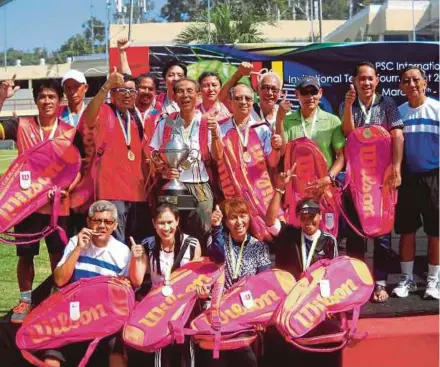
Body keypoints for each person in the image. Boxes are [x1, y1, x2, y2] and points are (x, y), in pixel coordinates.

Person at [0, 78, 84, 323]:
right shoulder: (21, 125)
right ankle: (25, 300)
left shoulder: (70, 132)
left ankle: (58, 297)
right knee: (25, 255)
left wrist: (69, 187)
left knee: (58, 255)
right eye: (42, 97)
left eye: (52, 97)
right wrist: (3, 97)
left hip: (58, 205)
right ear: (36, 100)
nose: (47, 101)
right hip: (25, 206)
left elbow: (80, 166)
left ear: (60, 102)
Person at [340, 61, 404, 303]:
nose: (366, 83)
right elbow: (348, 134)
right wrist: (347, 106)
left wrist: (396, 168)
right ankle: (358, 281)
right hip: (358, 182)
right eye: (361, 79)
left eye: (370, 78)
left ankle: (380, 281)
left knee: (383, 233)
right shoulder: (348, 104)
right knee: (356, 234)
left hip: (382, 180)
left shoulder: (387, 103)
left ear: (377, 80)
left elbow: (397, 134)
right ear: (355, 81)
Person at [42, 200, 131, 367]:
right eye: (97, 221)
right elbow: (60, 280)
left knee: (116, 350)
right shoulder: (75, 242)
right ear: (89, 222)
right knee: (51, 354)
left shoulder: (123, 252)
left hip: (103, 317)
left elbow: (124, 295)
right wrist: (78, 249)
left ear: (115, 225)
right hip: (73, 314)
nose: (102, 226)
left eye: (108, 222)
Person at [150, 78, 223, 249]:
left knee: (201, 233)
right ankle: (173, 270)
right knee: (172, 232)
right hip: (173, 187)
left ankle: (198, 271)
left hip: (199, 187)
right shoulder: (166, 122)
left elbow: (217, 156)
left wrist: (214, 133)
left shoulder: (208, 122)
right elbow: (153, 155)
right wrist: (164, 170)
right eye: (180, 91)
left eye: (190, 91)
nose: (185, 95)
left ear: (198, 96)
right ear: (174, 96)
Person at [128, 203, 201, 367]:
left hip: (184, 307)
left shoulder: (192, 244)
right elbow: (137, 280)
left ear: (177, 222)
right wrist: (135, 259)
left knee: (185, 357)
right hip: (158, 308)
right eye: (161, 223)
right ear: (154, 224)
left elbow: (195, 278)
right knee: (161, 355)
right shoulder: (147, 244)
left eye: (170, 222)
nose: (166, 228)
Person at [81, 68, 146, 244]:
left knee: (135, 243)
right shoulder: (104, 112)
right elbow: (88, 117)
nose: (128, 95)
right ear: (112, 93)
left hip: (137, 193)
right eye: (122, 90)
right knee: (116, 244)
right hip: (112, 191)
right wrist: (107, 85)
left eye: (132, 91)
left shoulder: (135, 118)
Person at [392, 66, 439, 300]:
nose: (411, 84)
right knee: (407, 232)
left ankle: (433, 281)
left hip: (435, 178)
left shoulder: (437, 109)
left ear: (425, 83)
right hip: (407, 180)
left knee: (436, 232)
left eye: (416, 80)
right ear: (401, 86)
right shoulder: (398, 114)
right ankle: (407, 279)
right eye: (406, 81)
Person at [207, 198, 271, 366]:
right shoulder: (218, 242)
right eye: (233, 217)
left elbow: (265, 284)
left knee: (248, 360)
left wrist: (260, 316)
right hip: (221, 313)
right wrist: (216, 228)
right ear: (226, 222)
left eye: (243, 215)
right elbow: (218, 256)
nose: (239, 222)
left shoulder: (259, 247)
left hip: (247, 313)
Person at [276, 75, 346, 194]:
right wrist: (279, 120)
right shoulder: (287, 121)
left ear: (320, 93)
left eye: (313, 92)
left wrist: (328, 178)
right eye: (305, 92)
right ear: (297, 94)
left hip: (324, 187)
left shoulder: (333, 121)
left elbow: (341, 156)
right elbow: (281, 151)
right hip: (295, 188)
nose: (310, 97)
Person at [265, 169, 338, 279]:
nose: (308, 221)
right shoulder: (289, 233)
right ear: (298, 217)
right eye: (303, 217)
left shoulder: (329, 241)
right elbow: (270, 222)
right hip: (290, 290)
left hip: (314, 292)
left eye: (312, 216)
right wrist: (280, 188)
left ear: (320, 215)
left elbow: (332, 273)